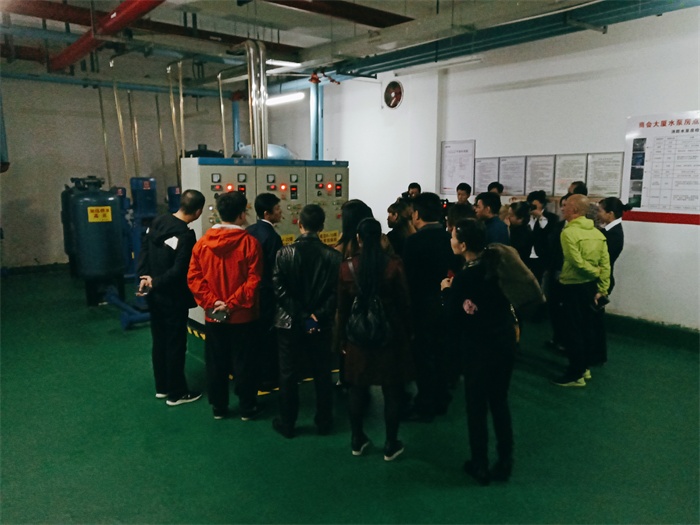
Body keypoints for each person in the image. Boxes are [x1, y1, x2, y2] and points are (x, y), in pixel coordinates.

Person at [441, 219, 517, 485]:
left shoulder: (465, 277)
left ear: (463, 245)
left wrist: (447, 292)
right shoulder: (497, 265)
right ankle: (505, 461)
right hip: (504, 343)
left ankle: (479, 463)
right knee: (499, 403)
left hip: (477, 349)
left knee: (476, 407)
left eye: (453, 237)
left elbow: (454, 317)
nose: (451, 241)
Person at [337, 218, 414, 461]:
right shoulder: (393, 265)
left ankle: (357, 439)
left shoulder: (347, 267)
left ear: (358, 239)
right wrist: (408, 332)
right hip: (390, 335)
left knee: (357, 388)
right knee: (392, 390)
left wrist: (341, 339)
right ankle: (391, 444)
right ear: (381, 237)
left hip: (358, 336)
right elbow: (404, 302)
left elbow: (342, 307)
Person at [187, 191, 263, 420]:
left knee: (216, 362)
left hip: (214, 316)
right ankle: (247, 407)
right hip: (243, 317)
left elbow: (194, 278)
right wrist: (231, 304)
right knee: (245, 362)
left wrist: (213, 303)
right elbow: (254, 280)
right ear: (242, 215)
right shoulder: (250, 244)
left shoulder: (202, 244)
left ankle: (219, 407)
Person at [272, 204, 343, 438]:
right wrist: (316, 316)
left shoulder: (284, 253)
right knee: (322, 372)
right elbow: (336, 292)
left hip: (289, 323)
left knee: (288, 374)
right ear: (322, 227)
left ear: (299, 224)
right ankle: (324, 422)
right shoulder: (334, 257)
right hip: (319, 324)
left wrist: (300, 314)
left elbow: (279, 288)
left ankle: (287, 423)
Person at [137, 189, 205, 406]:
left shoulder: (158, 221)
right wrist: (156, 282)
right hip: (173, 297)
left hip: (154, 295)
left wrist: (146, 278)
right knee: (175, 344)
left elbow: (144, 250)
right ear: (198, 211)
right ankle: (177, 393)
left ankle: (163, 387)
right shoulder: (186, 235)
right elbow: (180, 270)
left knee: (159, 340)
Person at [402, 192, 457, 420]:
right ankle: (442, 398)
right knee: (442, 352)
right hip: (447, 302)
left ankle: (425, 404)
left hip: (421, 306)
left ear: (416, 214)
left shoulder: (414, 242)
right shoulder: (449, 238)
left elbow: (407, 279)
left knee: (423, 356)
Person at [553, 194, 610, 387]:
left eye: (566, 206)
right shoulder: (598, 234)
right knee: (585, 328)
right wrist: (602, 288)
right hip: (590, 288)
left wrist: (594, 272)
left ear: (575, 210)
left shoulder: (568, 233)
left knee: (571, 331)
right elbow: (606, 264)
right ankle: (584, 368)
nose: (563, 209)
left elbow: (575, 262)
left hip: (571, 287)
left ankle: (575, 374)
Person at [247, 193, 284, 389]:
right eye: (277, 209)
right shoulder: (272, 237)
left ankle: (254, 374)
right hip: (267, 293)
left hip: (251, 292)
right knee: (268, 337)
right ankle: (268, 377)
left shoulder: (249, 231)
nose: (281, 212)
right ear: (266, 213)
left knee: (254, 335)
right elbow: (276, 270)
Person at [526, 190, 560, 284]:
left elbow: (549, 233)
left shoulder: (552, 218)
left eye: (534, 205)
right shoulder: (525, 217)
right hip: (527, 256)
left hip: (543, 257)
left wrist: (540, 217)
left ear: (542, 204)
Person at [597, 197, 627, 294]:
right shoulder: (609, 230)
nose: (597, 214)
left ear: (610, 214)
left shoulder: (614, 234)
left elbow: (604, 260)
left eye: (600, 211)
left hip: (602, 281)